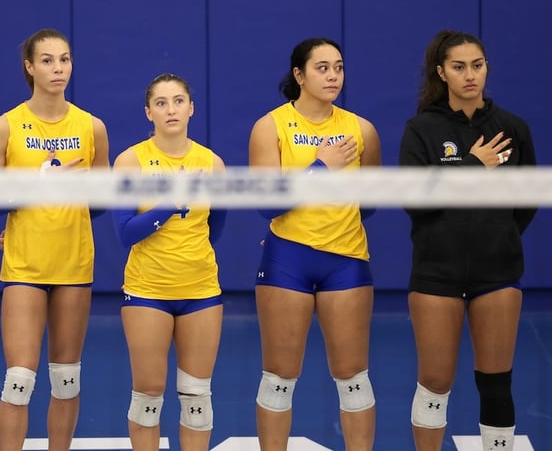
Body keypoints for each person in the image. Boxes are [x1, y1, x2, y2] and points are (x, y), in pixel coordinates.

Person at [399, 30, 537, 451]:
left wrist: (499, 236)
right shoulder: (422, 129)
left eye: (477, 65)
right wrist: (472, 167)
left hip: (496, 271)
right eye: (459, 67)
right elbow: (413, 200)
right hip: (436, 273)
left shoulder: (512, 128)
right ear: (441, 72)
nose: (470, 75)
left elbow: (526, 201)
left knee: (496, 382)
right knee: (435, 382)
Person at [0, 28, 110, 451]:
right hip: (25, 266)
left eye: (64, 59)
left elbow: (102, 202)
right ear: (30, 67)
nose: (58, 68)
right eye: (48, 60)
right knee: (19, 379)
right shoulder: (4, 127)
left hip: (73, 264)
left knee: (66, 378)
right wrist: (38, 185)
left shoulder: (92, 127)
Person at [247, 38, 382, 451]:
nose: (333, 76)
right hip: (287, 259)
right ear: (299, 75)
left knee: (354, 378)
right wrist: (321, 167)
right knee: (278, 379)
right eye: (322, 68)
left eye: (338, 67)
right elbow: (267, 204)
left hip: (346, 261)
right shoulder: (270, 126)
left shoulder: (361, 130)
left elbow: (371, 200)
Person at [111, 73, 227, 451]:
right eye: (161, 103)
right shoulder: (130, 161)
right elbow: (125, 232)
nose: (171, 109)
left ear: (191, 108)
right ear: (149, 112)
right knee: (148, 396)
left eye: (178, 101)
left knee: (197, 397)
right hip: (147, 292)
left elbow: (215, 226)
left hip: (201, 292)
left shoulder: (212, 164)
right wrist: (170, 205)